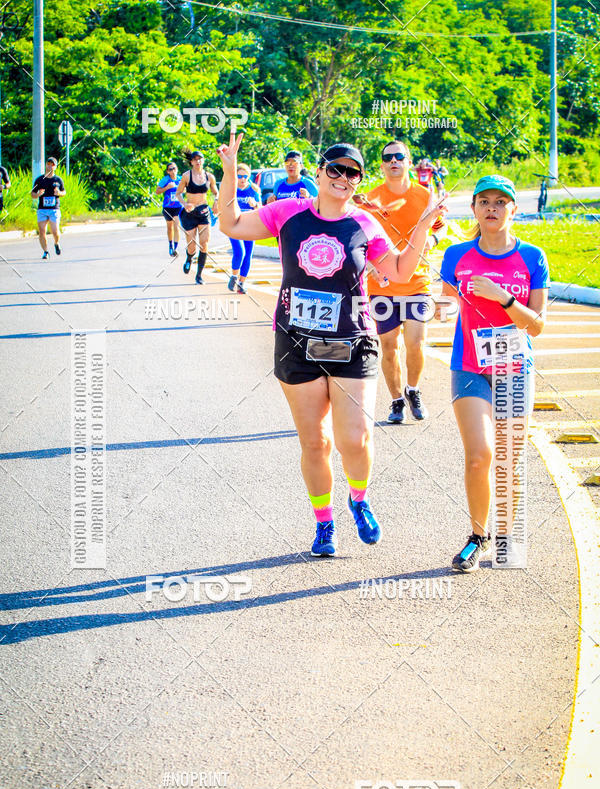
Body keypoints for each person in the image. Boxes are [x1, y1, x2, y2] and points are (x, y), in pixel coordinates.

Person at [217, 131, 446, 557]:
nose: (344, 177)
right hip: (295, 343)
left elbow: (396, 271)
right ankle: (324, 523)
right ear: (319, 172)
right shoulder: (288, 213)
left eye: (353, 173)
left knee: (355, 439)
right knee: (315, 443)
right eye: (336, 169)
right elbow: (230, 223)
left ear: (358, 180)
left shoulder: (363, 223)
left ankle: (358, 499)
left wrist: (421, 225)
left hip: (352, 341)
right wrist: (230, 173)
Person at [439, 175, 549, 572]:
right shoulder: (456, 256)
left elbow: (536, 325)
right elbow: (446, 302)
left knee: (508, 458)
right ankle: (478, 536)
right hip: (470, 366)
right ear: (473, 209)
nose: (491, 208)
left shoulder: (532, 257)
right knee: (479, 455)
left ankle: (506, 537)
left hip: (515, 369)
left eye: (500, 202)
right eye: (484, 201)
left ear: (513, 210)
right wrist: (441, 307)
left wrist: (503, 298)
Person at [366, 140, 446, 423]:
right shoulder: (371, 199)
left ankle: (413, 389)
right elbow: (360, 239)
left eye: (400, 156)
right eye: (388, 158)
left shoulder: (425, 196)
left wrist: (432, 240)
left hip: (417, 283)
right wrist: (369, 265)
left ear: (409, 162)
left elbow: (440, 226)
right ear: (382, 165)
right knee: (388, 346)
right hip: (382, 287)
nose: (394, 161)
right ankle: (397, 400)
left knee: (416, 342)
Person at [175, 150, 219, 284]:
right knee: (192, 246)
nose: (198, 161)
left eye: (200, 159)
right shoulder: (186, 176)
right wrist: (185, 204)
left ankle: (199, 275)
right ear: (191, 162)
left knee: (204, 243)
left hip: (203, 211)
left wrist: (216, 201)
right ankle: (189, 257)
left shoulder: (209, 176)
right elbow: (178, 193)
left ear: (203, 161)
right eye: (195, 159)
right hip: (190, 212)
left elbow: (216, 192)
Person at [227, 163, 261, 294]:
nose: (242, 179)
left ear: (248, 176)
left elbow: (261, 209)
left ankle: (242, 283)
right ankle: (234, 276)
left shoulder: (254, 190)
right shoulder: (231, 189)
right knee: (239, 251)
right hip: (235, 225)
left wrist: (255, 204)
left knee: (248, 254)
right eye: (239, 176)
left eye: (245, 176)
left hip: (250, 226)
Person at [31, 157, 65, 259]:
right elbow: (32, 193)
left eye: (52, 164)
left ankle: (56, 243)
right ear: (46, 165)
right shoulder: (40, 179)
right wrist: (38, 194)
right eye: (48, 164)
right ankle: (46, 252)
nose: (50, 166)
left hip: (54, 209)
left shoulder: (58, 180)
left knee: (55, 231)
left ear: (55, 167)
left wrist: (59, 193)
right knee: (42, 231)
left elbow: (64, 192)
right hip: (42, 209)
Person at [156, 161, 182, 256]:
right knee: (170, 227)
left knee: (176, 225)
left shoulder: (181, 179)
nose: (173, 171)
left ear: (177, 169)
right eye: (170, 169)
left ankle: (176, 247)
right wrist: (167, 187)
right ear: (168, 171)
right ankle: (170, 245)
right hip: (168, 207)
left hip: (178, 206)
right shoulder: (165, 180)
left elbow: (187, 188)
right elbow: (157, 191)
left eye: (174, 168)